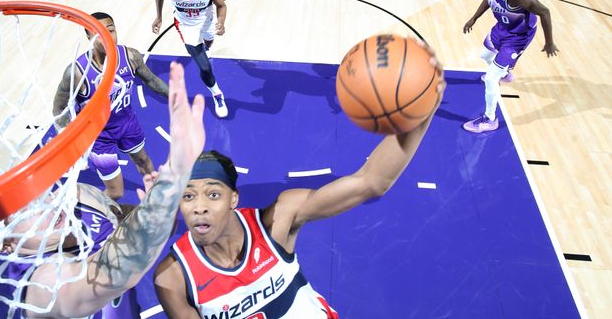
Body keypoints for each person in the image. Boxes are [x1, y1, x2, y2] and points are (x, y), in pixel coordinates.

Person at [152, 52, 444, 317]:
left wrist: (420, 113)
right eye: (187, 196)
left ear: (233, 198)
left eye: (212, 194)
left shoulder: (278, 219)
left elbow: (370, 181)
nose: (199, 207)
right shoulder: (173, 277)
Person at [0, 61, 205, 318]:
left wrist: (155, 208)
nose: (44, 202)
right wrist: (175, 175)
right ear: (5, 244)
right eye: (22, 211)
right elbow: (113, 272)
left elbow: (131, 223)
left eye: (32, 193)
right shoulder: (41, 287)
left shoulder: (79, 197)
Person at [53, 12, 169, 200]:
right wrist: (72, 141)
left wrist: (176, 96)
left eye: (111, 30)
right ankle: (95, 212)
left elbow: (152, 81)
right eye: (99, 32)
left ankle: (154, 197)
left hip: (127, 124)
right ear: (88, 37)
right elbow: (59, 110)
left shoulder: (130, 56)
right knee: (116, 193)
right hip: (99, 137)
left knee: (144, 162)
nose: (108, 36)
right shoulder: (76, 72)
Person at [462, 0, 558, 133]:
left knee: (490, 79)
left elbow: (544, 11)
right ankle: (505, 73)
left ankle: (489, 120)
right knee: (484, 55)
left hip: (519, 36)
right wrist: (474, 18)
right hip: (502, 27)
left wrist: (549, 42)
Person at [152, 0, 229, 119]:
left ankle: (207, 48)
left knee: (209, 41)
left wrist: (221, 22)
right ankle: (217, 94)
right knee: (204, 67)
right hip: (186, 26)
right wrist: (159, 16)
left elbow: (221, 6)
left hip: (207, 20)